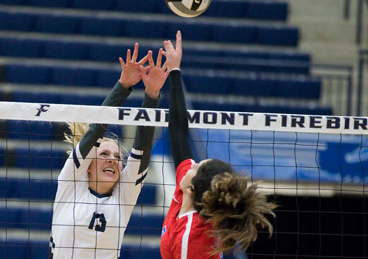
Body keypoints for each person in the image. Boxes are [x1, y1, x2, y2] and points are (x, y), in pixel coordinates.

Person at [160, 31, 276, 259]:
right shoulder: (187, 189)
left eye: (195, 167)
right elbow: (178, 131)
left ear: (192, 189)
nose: (191, 164)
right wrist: (174, 71)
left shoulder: (191, 238)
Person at [49, 43, 169, 259]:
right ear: (88, 166)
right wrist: (122, 87)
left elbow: (141, 149)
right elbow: (95, 130)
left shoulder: (124, 196)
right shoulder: (71, 184)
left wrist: (152, 95)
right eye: (104, 154)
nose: (113, 160)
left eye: (117, 157)